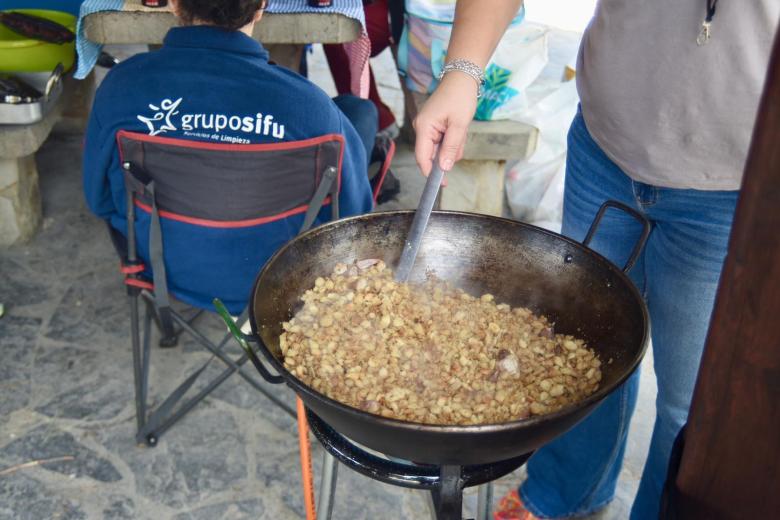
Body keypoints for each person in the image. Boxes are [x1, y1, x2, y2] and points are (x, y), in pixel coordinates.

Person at [414, 1, 780, 519]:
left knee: (692, 404)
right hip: (607, 149)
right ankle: (565, 494)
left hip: (740, 189)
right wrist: (462, 72)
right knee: (578, 353)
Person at [82, 0, 376, 310]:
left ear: (173, 4)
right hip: (283, 278)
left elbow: (99, 199)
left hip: (165, 270)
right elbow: (351, 219)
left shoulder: (121, 87)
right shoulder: (313, 111)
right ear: (261, 6)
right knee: (360, 113)